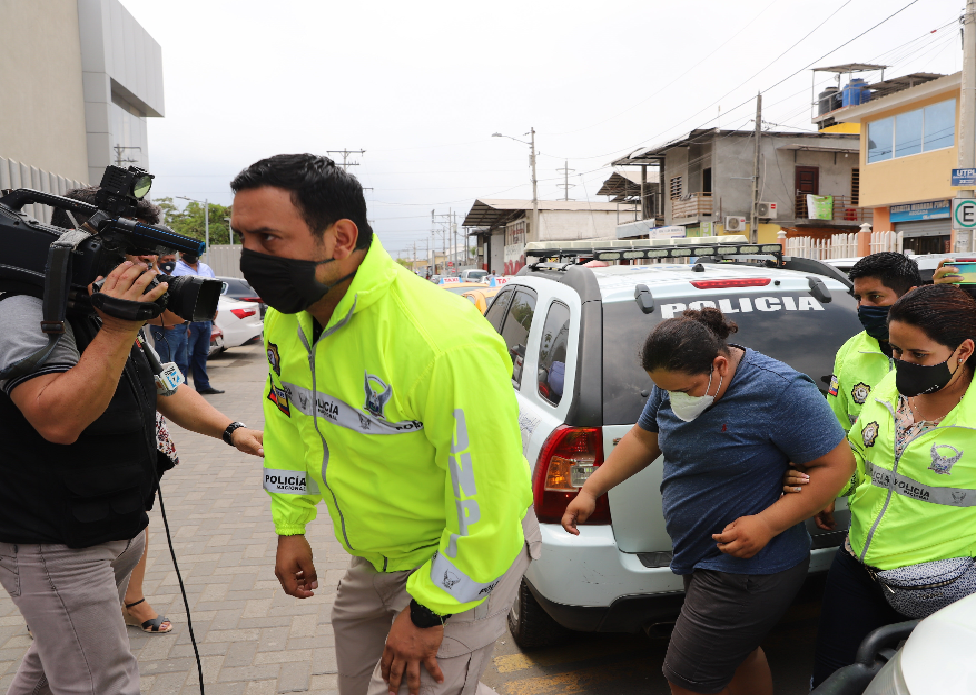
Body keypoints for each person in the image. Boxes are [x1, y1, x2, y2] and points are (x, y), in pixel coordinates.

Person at [232, 153, 537, 695]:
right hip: (372, 557)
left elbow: (490, 502)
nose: (249, 259)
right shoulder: (288, 318)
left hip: (460, 558)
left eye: (268, 239)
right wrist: (290, 524)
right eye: (243, 239)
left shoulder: (441, 343)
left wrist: (428, 612)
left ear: (341, 238)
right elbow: (287, 424)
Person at [0, 254, 265, 694]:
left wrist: (231, 430)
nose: (152, 277)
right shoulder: (24, 310)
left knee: (55, 662)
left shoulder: (112, 313)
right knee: (103, 680)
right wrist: (118, 327)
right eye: (138, 262)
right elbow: (59, 421)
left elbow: (166, 385)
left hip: (117, 525)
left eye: (155, 264)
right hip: (57, 538)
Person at [561, 307, 854, 695]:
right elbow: (643, 438)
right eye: (667, 390)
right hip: (699, 552)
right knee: (741, 654)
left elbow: (837, 465)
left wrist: (767, 523)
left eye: (687, 390)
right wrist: (592, 489)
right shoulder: (674, 381)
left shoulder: (781, 390)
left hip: (749, 567)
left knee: (686, 677)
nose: (676, 398)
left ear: (720, 364)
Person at [804, 284, 976, 687]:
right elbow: (862, 453)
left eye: (918, 355)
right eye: (896, 351)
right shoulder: (891, 387)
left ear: (964, 350)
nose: (903, 363)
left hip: (942, 585)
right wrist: (833, 484)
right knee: (832, 680)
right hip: (857, 563)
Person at [171, 251, 223, 394]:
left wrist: (215, 309)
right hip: (189, 318)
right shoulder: (175, 268)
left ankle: (203, 385)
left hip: (206, 318)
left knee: (202, 353)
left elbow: (215, 291)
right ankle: (185, 390)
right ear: (181, 253)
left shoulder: (206, 268)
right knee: (186, 356)